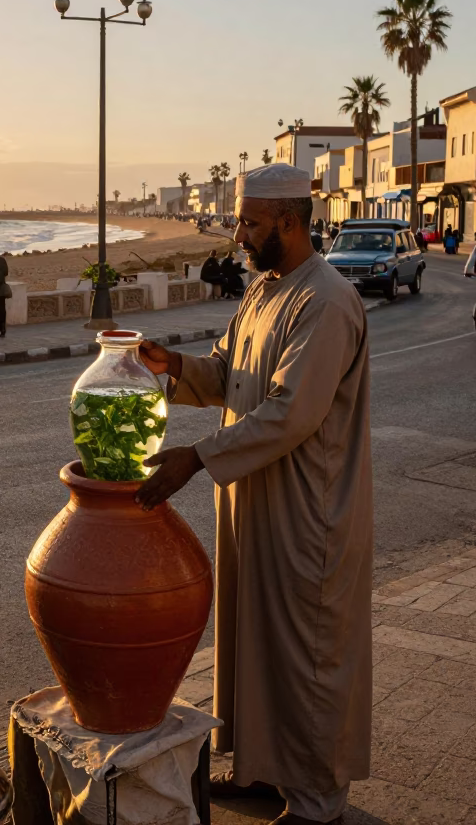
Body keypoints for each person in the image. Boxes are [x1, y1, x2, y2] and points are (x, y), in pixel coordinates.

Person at [135, 163, 372, 825]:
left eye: (248, 222)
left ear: (289, 223)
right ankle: (267, 773)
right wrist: (173, 366)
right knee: (258, 647)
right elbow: (229, 375)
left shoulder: (322, 300)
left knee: (306, 655)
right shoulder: (265, 290)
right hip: (255, 508)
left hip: (307, 514)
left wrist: (196, 458)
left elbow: (292, 411)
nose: (237, 233)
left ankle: (319, 802)